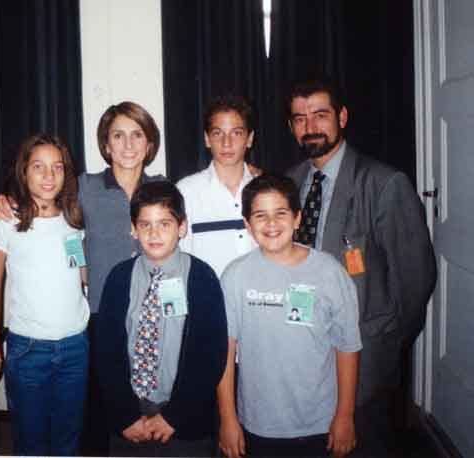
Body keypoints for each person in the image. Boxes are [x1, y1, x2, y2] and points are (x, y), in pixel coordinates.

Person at [0, 102, 164, 456]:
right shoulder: (83, 189)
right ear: (106, 144)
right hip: (98, 320)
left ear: (149, 144)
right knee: (92, 424)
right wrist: (4, 200)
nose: (128, 144)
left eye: (137, 135)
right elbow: (46, 204)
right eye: (118, 135)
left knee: (150, 407)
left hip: (151, 317)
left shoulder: (162, 189)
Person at [285, 77, 437, 455]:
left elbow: (415, 280)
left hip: (366, 359)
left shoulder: (384, 183)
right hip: (306, 351)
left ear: (342, 117)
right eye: (300, 119)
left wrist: (385, 342)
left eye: (320, 115)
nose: (310, 126)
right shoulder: (290, 181)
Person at [217, 174, 361, 458]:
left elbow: (347, 347)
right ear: (247, 224)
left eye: (280, 213)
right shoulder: (235, 276)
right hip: (256, 423)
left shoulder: (330, 273)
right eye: (260, 215)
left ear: (297, 218)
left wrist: (345, 416)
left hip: (319, 422)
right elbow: (225, 351)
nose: (271, 223)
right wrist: (228, 419)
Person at [0, 134, 90, 456]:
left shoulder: (73, 219)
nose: (49, 176)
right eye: (39, 166)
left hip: (75, 347)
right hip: (28, 351)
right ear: (24, 171)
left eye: (57, 167)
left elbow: (79, 272)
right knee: (30, 444)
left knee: (68, 442)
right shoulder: (6, 219)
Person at [95, 181, 227, 457]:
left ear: (182, 227)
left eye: (164, 224)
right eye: (145, 225)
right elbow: (106, 351)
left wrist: (174, 417)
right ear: (133, 229)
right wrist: (125, 415)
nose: (154, 233)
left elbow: (210, 355)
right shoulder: (119, 278)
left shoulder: (202, 278)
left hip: (184, 420)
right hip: (130, 417)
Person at [177, 95, 258, 277]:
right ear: (207, 139)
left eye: (236, 133)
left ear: (249, 139)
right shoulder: (185, 191)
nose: (226, 143)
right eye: (217, 133)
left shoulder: (266, 190)